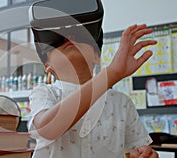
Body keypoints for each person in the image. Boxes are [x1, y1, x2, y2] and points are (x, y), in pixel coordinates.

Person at [27, 24, 159, 158]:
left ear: (96, 57)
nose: (69, 37)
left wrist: (146, 154)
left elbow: (137, 150)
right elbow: (47, 129)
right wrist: (111, 74)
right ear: (48, 66)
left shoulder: (121, 102)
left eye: (79, 36)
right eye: (58, 40)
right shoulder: (43, 93)